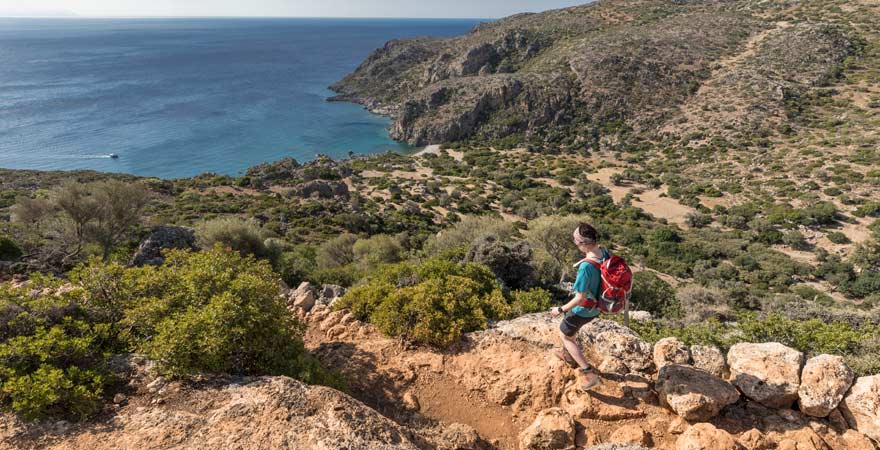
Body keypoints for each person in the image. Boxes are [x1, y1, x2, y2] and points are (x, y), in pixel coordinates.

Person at [549, 222, 608, 391]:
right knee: (571, 332)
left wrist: (560, 310)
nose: (575, 245)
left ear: (584, 243)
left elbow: (579, 298)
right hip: (597, 307)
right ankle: (568, 356)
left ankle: (589, 374)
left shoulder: (586, 267)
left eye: (575, 241)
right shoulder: (604, 252)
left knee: (565, 335)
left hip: (583, 310)